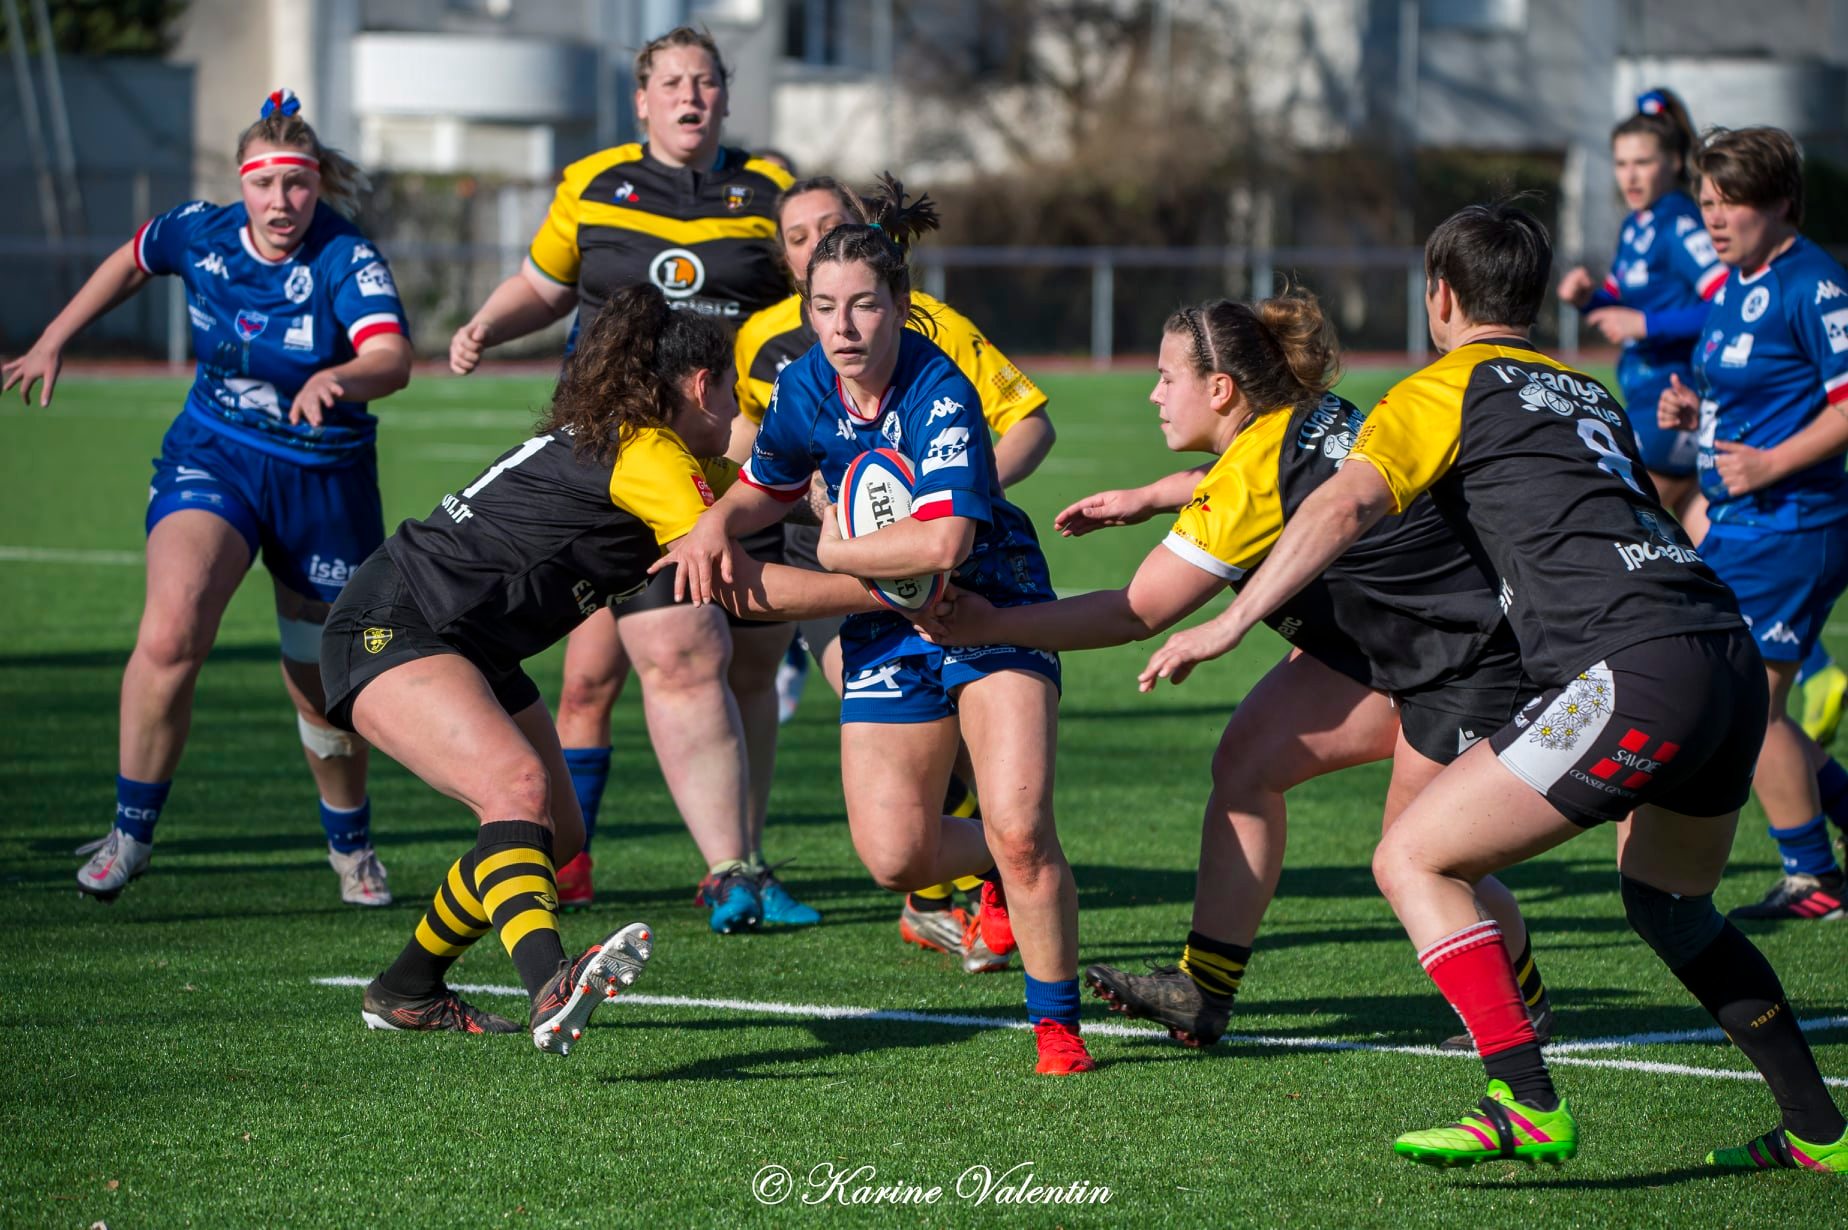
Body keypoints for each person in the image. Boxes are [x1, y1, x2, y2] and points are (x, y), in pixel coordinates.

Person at [1141, 201, 1846, 1170]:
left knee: (1412, 860)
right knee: (1671, 907)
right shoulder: (1583, 388)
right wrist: (1158, 495)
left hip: (1631, 667)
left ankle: (1523, 1097)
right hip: (1718, 653)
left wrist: (1227, 620)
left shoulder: (1439, 388)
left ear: (1439, 295)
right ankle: (1821, 1132)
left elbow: (1344, 498)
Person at [921, 292, 1552, 1051]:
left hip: (1462, 658)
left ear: (1221, 390)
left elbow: (1137, 611)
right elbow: (1262, 484)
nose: (1153, 394)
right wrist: (1154, 495)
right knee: (1248, 759)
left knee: (1428, 853)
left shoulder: (1253, 468)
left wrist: (993, 626)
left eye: (1166, 377)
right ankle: (1203, 991)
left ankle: (1523, 1005)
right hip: (1387, 648)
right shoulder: (1301, 418)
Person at [325, 284, 874, 1047]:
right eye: (733, 398)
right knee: (513, 789)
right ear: (699, 386)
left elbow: (776, 495)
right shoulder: (645, 455)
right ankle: (551, 984)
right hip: (396, 622)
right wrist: (882, 592)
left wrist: (884, 494)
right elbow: (738, 590)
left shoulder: (666, 454)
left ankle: (405, 986)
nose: (740, 418)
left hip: (467, 640)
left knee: (555, 832)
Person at [660, 179, 1096, 1076]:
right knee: (896, 858)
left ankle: (1058, 1027)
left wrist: (835, 545)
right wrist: (712, 524)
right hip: (890, 628)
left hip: (991, 604)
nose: (845, 328)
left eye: (864, 306)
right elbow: (767, 485)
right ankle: (1010, 868)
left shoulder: (941, 389)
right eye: (826, 308)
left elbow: (942, 540)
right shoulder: (803, 387)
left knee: (1018, 824)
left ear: (901, 307)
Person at [2, 88, 412, 907]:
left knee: (320, 681)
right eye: (264, 185)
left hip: (322, 483)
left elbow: (393, 357)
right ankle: (131, 833)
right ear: (241, 184)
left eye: (296, 185)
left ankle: (351, 844)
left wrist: (340, 374)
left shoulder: (344, 257)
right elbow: (132, 257)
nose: (281, 202)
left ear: (316, 183)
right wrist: (54, 336)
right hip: (215, 458)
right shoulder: (203, 230)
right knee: (173, 626)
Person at [446, 26, 808, 925]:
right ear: (641, 99)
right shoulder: (595, 184)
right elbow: (545, 281)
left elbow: (816, 295)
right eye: (673, 83)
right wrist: (486, 324)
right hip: (604, 461)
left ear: (726, 96)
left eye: (707, 82)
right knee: (591, 680)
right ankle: (580, 858)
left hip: (720, 460)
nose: (692, 96)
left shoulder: (765, 193)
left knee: (720, 659)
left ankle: (737, 859)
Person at [732, 174, 1058, 971]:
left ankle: (1004, 870)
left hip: (938, 555)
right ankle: (939, 880)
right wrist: (721, 522)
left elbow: (1029, 426)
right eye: (799, 237)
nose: (815, 246)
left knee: (981, 745)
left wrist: (954, 501)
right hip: (824, 552)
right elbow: (752, 443)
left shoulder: (932, 333)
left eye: (828, 227)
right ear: (788, 258)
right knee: (889, 764)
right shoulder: (767, 341)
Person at [1659, 127, 1848, 922]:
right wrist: (1696, 413)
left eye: (1731, 200)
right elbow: (1768, 396)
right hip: (1741, 522)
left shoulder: (1817, 285)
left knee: (1748, 706)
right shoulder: (1736, 282)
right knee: (1740, 698)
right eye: (1707, 200)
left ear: (1778, 201)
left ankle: (1814, 876)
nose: (1715, 216)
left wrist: (1771, 465)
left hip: (1794, 523)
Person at [1557, 89, 1724, 533]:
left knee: (1619, 531)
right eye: (1621, 163)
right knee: (1697, 535)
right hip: (1646, 400)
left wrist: (1647, 325)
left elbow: (1729, 305)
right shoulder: (1637, 224)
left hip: (1675, 402)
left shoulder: (1681, 225)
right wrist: (1588, 298)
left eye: (1643, 163)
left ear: (1672, 161)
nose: (1630, 176)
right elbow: (1620, 303)